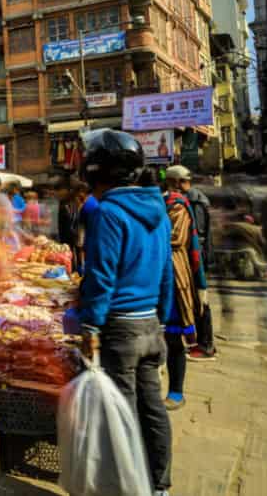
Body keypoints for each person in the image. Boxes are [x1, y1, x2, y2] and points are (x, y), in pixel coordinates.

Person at [78, 128, 173, 496]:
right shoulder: (158, 212)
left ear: (97, 172)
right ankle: (159, 486)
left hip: (120, 328)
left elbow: (101, 275)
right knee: (153, 410)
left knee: (123, 413)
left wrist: (90, 324)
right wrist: (161, 318)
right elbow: (165, 272)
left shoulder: (109, 213)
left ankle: (128, 487)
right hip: (151, 324)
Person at [161, 165, 204, 410]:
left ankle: (176, 391)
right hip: (157, 272)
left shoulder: (179, 206)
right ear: (176, 182)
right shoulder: (162, 202)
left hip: (175, 272)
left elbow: (176, 238)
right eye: (186, 180)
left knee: (174, 336)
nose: (188, 184)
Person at [185, 184, 216, 361]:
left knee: (200, 300)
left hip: (198, 258)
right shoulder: (197, 199)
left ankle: (206, 345)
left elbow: (198, 234)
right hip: (199, 257)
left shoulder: (195, 202)